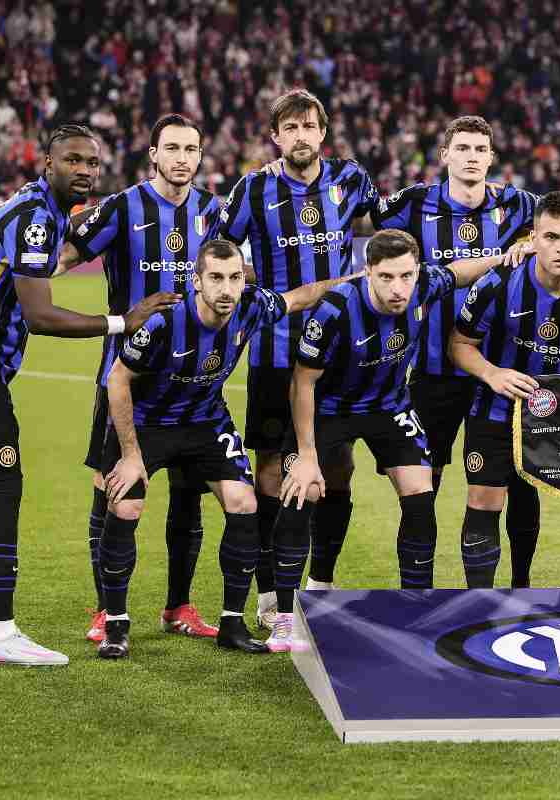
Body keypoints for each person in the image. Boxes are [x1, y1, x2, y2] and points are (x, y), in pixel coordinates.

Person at [0, 123, 179, 666]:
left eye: (92, 162)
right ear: (48, 163)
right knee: (4, 481)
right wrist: (123, 321)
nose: (84, 170)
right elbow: (39, 316)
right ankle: (0, 633)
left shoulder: (46, 208)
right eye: (72, 160)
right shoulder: (37, 219)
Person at [97, 239, 346, 659]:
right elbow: (117, 379)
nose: (226, 289)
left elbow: (301, 296)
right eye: (215, 278)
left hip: (205, 422)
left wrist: (355, 281)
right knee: (126, 506)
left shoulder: (251, 306)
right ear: (197, 281)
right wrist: (131, 454)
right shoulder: (162, 323)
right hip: (147, 424)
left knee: (243, 501)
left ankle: (232, 623)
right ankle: (115, 626)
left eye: (234, 278)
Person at [273, 229, 502, 651]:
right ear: (368, 272)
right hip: (331, 410)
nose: (398, 288)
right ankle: (288, 613)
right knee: (304, 490)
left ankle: (416, 607)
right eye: (386, 277)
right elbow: (303, 383)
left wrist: (507, 256)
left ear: (417, 272)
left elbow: (460, 272)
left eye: (406, 276)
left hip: (388, 407)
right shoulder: (334, 310)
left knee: (420, 493)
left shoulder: (424, 284)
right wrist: (306, 454)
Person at [219, 89, 379, 630]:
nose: (301, 135)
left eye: (309, 126)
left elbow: (389, 228)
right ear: (275, 137)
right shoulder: (253, 188)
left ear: (323, 133)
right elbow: (218, 252)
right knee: (270, 468)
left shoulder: (351, 180)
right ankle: (269, 594)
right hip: (274, 349)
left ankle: (322, 583)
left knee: (338, 465)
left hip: (338, 350)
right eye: (290, 128)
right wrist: (258, 286)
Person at [61, 112, 223, 645]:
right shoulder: (122, 207)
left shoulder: (213, 213)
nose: (182, 158)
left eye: (191, 149)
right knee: (109, 488)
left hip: (192, 380)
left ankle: (179, 606)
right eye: (171, 148)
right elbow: (63, 258)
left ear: (200, 156)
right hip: (125, 376)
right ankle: (106, 611)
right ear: (153, 154)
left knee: (189, 491)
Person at [373, 115, 544, 588]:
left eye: (480, 149)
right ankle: (418, 593)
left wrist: (531, 241)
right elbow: (364, 223)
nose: (471, 157)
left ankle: (521, 585)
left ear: (491, 157)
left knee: (520, 482)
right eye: (462, 148)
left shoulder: (518, 204)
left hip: (501, 372)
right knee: (422, 488)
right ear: (444, 154)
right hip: (433, 373)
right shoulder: (414, 203)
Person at [450, 192, 560, 589]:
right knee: (485, 498)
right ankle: (480, 603)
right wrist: (492, 373)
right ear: (533, 238)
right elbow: (459, 344)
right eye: (551, 237)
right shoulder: (498, 283)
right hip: (498, 405)